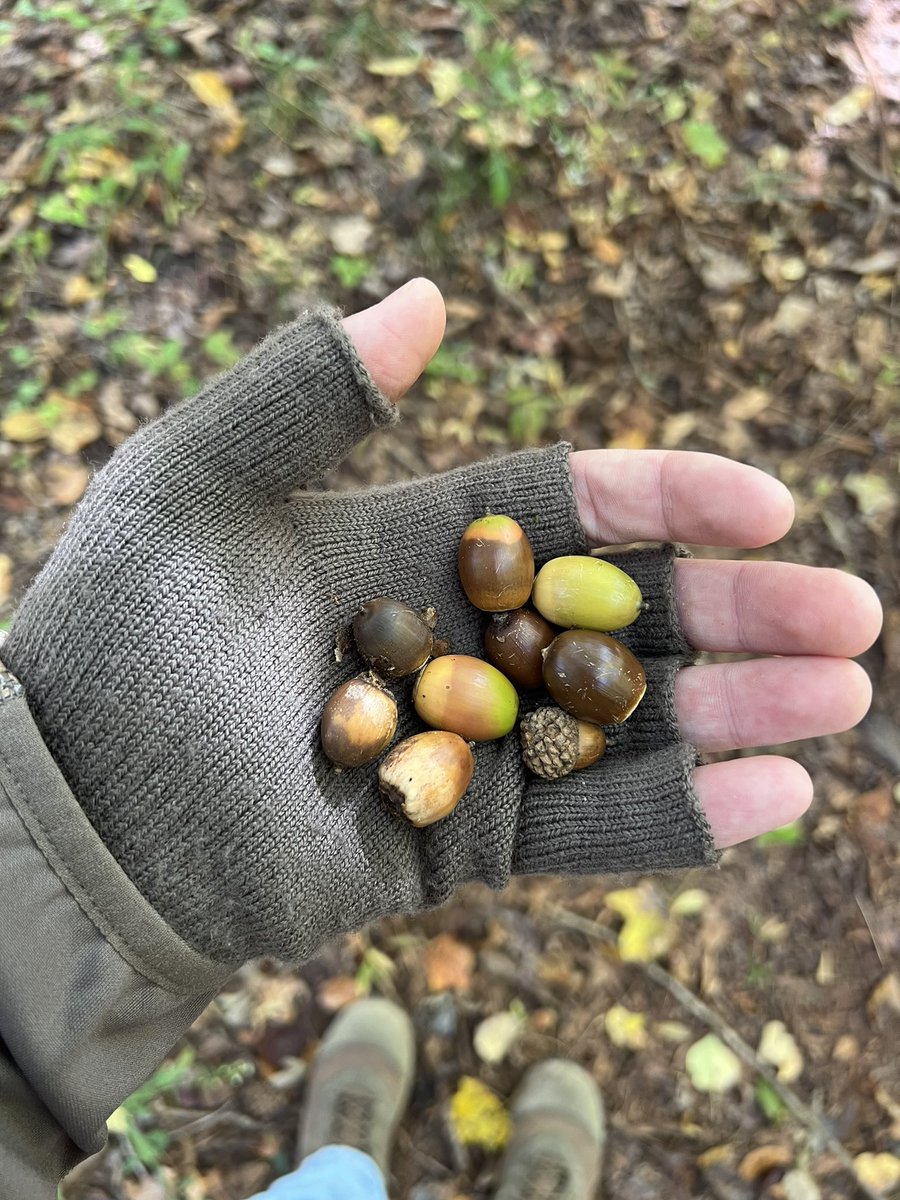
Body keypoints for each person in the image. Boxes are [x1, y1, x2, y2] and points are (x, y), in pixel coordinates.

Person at [0, 279, 882, 1200]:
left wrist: (53, 842)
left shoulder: (501, 665)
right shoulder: (457, 666)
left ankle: (348, 1164)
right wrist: (73, 830)